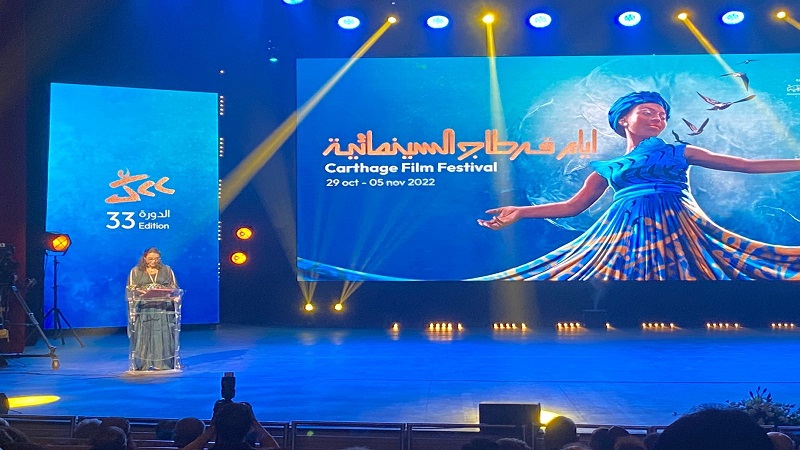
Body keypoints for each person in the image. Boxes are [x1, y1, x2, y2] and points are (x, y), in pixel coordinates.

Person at [477, 91, 800, 280]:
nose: (658, 119)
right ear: (624, 120)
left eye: (662, 115)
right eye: (647, 112)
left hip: (678, 225)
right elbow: (572, 207)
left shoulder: (679, 151)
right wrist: (521, 211)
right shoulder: (608, 168)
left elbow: (746, 165)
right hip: (624, 234)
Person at [126, 247, 180, 371]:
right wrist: (143, 292)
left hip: (162, 307)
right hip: (144, 308)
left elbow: (174, 287)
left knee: (162, 334)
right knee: (144, 335)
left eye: (156, 259)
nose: (153, 261)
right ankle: (143, 363)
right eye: (150, 259)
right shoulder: (136, 271)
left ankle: (163, 363)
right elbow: (131, 289)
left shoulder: (167, 270)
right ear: (144, 258)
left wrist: (166, 292)